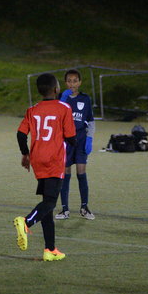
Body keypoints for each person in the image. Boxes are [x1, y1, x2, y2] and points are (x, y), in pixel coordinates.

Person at [13, 73, 76, 261]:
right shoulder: (64, 108)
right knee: (50, 202)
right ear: (56, 89)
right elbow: (71, 138)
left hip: (38, 159)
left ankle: (50, 249)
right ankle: (26, 222)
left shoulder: (32, 109)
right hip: (54, 159)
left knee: (47, 204)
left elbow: (20, 134)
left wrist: (25, 154)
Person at [55, 69, 96, 220]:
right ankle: (65, 209)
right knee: (65, 173)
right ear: (65, 83)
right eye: (69, 81)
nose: (72, 84)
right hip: (65, 141)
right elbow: (55, 116)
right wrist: (62, 100)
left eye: (75, 81)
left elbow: (90, 120)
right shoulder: (60, 98)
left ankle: (84, 207)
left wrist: (89, 138)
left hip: (81, 139)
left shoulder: (85, 99)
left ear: (80, 82)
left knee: (81, 172)